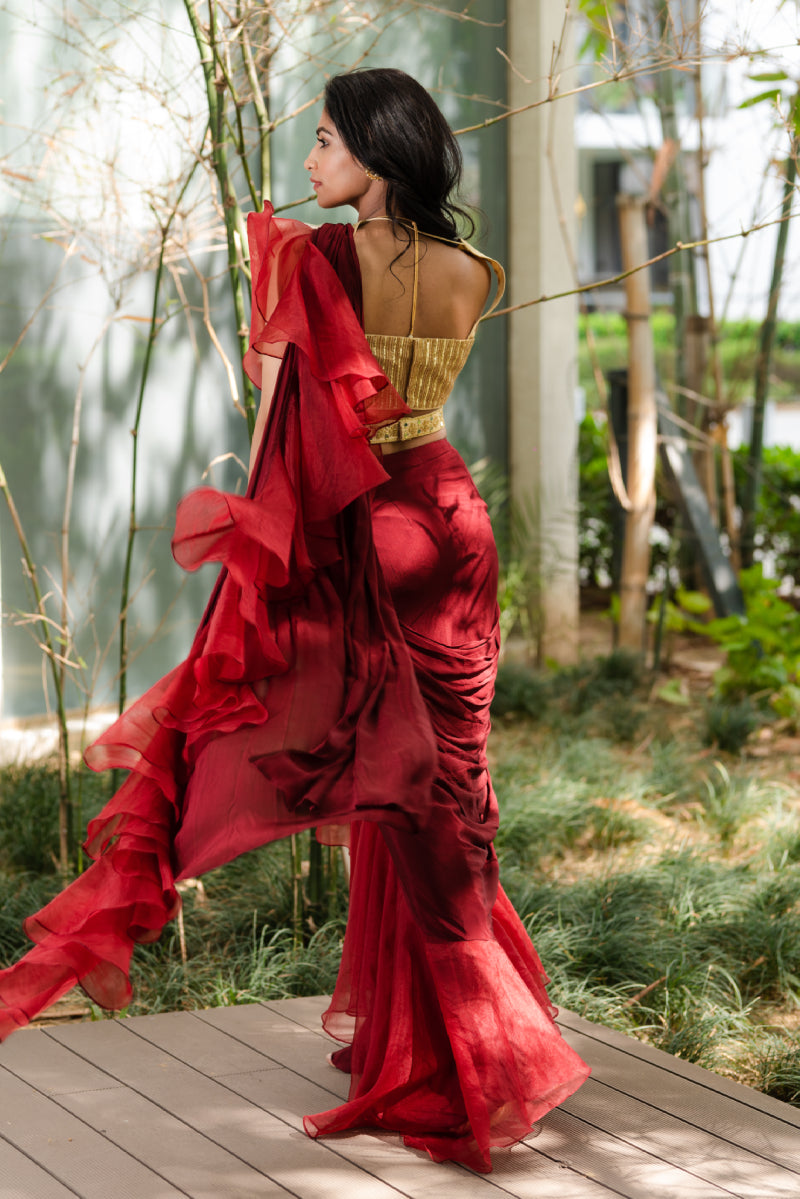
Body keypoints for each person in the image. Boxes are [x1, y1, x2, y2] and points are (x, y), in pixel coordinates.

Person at [0, 68, 589, 1173]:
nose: (311, 160)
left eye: (325, 140)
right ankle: (464, 1039)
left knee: (380, 781)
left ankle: (474, 1061)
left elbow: (282, 424)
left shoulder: (316, 261)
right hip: (453, 523)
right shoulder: (476, 270)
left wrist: (258, 569)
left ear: (374, 148)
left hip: (368, 531)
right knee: (448, 792)